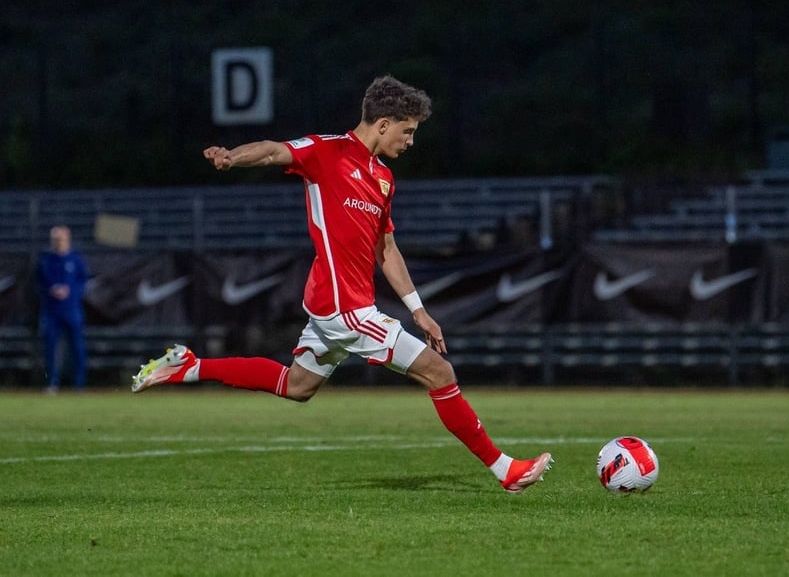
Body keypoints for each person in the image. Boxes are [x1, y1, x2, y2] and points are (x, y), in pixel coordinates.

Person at [131, 75, 552, 493]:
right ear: (383, 124)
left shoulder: (384, 179)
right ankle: (505, 470)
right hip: (344, 308)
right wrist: (232, 157)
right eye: (407, 132)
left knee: (296, 386)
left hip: (337, 306)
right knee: (440, 372)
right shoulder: (327, 151)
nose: (410, 142)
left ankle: (190, 366)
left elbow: (386, 249)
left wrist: (418, 310)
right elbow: (273, 151)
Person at [36, 225, 89, 392]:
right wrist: (51, 290)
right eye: (55, 239)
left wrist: (71, 291)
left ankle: (79, 384)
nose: (58, 242)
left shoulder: (76, 260)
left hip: (72, 311)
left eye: (61, 239)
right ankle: (52, 382)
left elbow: (83, 282)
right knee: (51, 348)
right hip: (51, 312)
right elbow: (38, 284)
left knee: (77, 348)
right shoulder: (45, 261)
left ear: (68, 239)